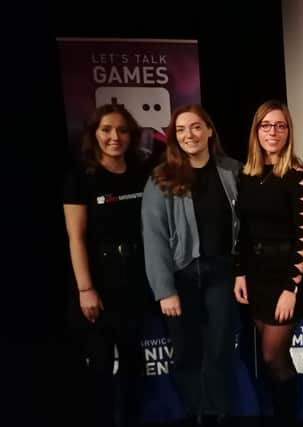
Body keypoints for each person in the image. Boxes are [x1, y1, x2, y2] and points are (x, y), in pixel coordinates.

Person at [141, 104, 241, 427]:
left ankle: (218, 411)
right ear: (174, 137)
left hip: (222, 273)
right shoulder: (161, 179)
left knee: (219, 347)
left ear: (209, 130)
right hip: (181, 277)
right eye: (181, 130)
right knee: (185, 350)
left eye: (196, 127)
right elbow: (153, 238)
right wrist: (164, 290)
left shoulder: (233, 170)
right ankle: (196, 411)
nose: (189, 135)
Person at [62, 104, 151, 427]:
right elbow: (76, 238)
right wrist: (86, 289)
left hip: (134, 280)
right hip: (97, 282)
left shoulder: (141, 172)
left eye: (122, 130)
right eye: (107, 130)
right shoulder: (81, 178)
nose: (115, 137)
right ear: (94, 134)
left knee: (133, 364)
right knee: (99, 365)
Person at [233, 100, 303, 426]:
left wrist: (292, 288)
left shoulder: (298, 177)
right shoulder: (247, 175)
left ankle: (288, 417)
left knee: (272, 356)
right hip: (255, 276)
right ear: (256, 131)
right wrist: (239, 272)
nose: (273, 132)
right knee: (268, 360)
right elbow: (242, 230)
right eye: (266, 125)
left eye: (280, 126)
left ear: (288, 132)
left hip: (284, 280)